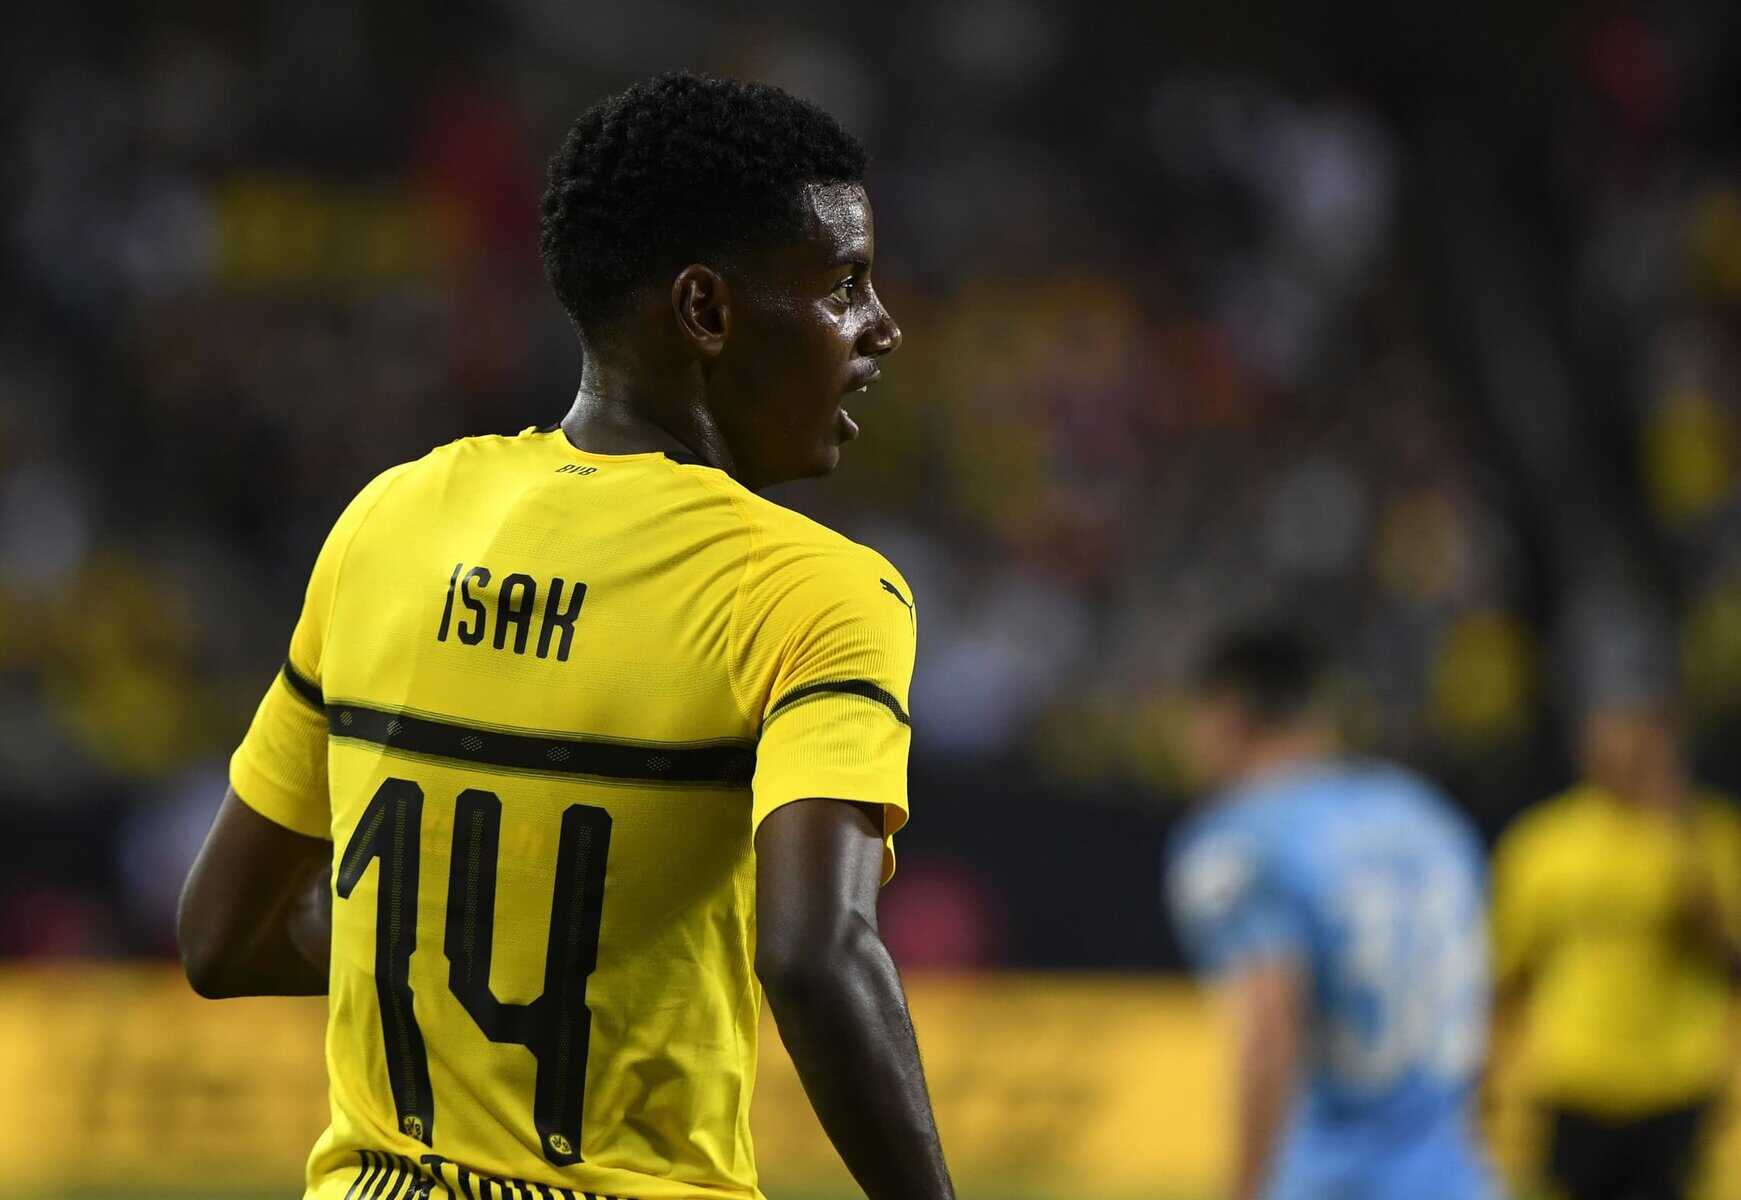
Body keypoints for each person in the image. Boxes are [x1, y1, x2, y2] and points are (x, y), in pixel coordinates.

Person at [176, 73, 954, 1200]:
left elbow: (221, 936)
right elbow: (814, 954)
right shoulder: (813, 591)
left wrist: (470, 954)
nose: (881, 325)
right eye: (843, 284)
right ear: (705, 311)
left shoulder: (392, 519)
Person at [1167, 628, 1497, 1200]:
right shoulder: (1426, 817)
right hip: (1454, 1177)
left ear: (1229, 715)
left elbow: (1268, 1025)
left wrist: (1244, 1190)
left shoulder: (1242, 837)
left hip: (1332, 1177)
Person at [1490, 699, 1741, 1200]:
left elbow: (1728, 954)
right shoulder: (1543, 842)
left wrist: (1681, 836)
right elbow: (1508, 974)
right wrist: (1501, 1092)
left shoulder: (1710, 834)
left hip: (1681, 1080)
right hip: (1574, 1079)